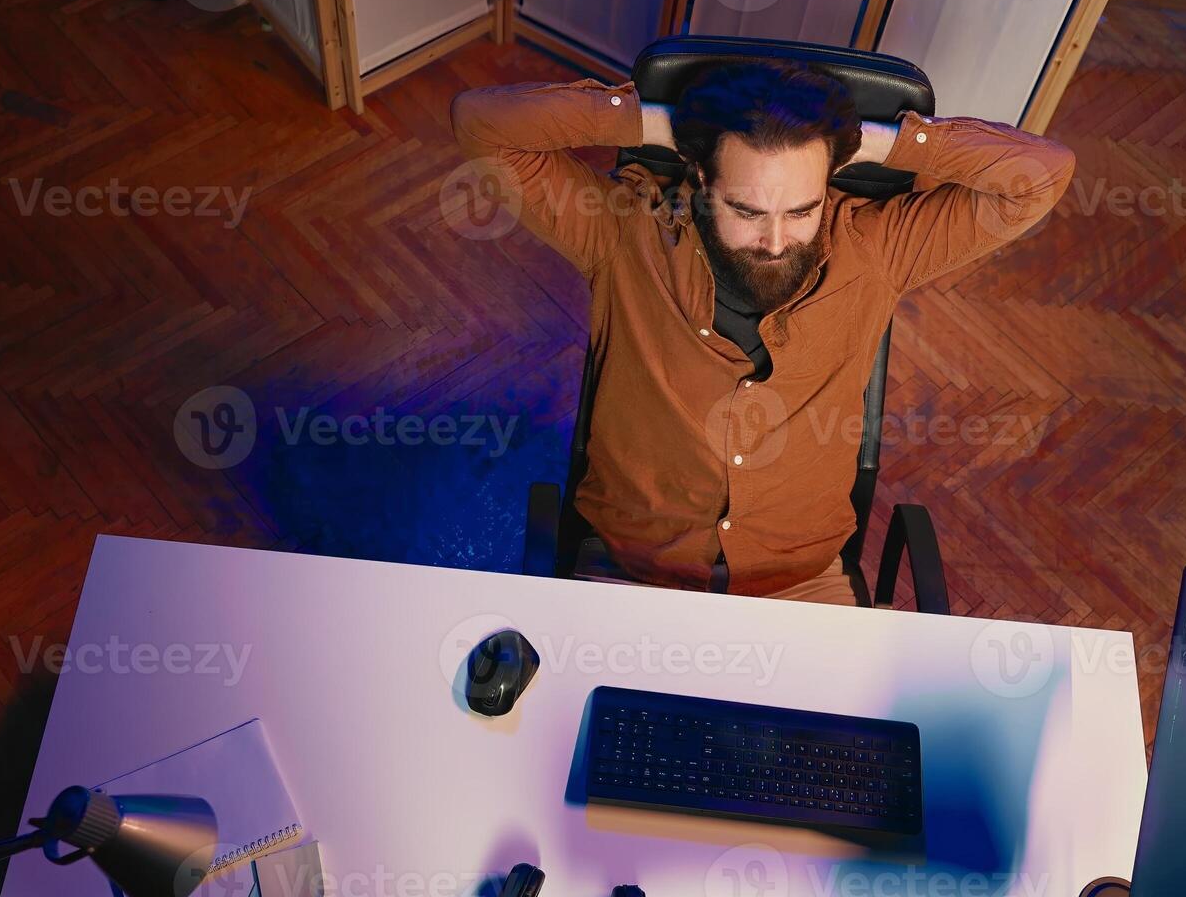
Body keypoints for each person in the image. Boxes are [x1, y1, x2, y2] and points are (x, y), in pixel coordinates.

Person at [450, 61, 1073, 605]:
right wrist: (658, 125)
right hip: (634, 569)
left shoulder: (879, 247)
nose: (776, 242)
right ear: (701, 178)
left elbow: (1041, 177)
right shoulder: (620, 232)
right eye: (746, 211)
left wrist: (869, 143)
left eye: (802, 210)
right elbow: (482, 124)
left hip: (800, 581)